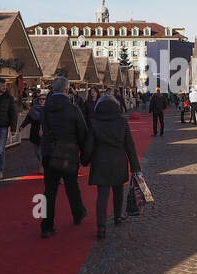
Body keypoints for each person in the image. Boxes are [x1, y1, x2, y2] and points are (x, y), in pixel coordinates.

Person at [39, 76, 91, 238]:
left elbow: (44, 129)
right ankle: (77, 213)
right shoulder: (73, 109)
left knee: (50, 190)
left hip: (49, 152)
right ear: (67, 90)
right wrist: (85, 154)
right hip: (68, 151)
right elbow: (82, 132)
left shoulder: (46, 108)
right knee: (71, 186)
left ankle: (47, 225)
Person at [87, 93, 140, 239]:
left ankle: (101, 226)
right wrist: (135, 167)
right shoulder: (122, 122)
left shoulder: (94, 123)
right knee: (118, 191)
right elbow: (130, 146)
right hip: (118, 161)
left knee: (102, 196)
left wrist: (84, 160)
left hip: (100, 162)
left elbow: (89, 146)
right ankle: (117, 216)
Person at [23, 91, 45, 170]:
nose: (42, 100)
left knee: (42, 151)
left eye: (44, 99)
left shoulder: (48, 110)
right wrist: (22, 126)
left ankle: (41, 166)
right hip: (35, 132)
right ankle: (42, 163)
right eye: (40, 99)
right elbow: (28, 119)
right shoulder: (33, 110)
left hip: (45, 133)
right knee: (36, 151)